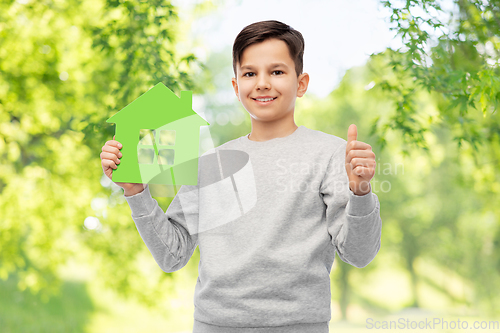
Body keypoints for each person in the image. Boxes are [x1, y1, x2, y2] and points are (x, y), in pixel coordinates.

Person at [100, 20, 382, 333]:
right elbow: (173, 254)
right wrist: (136, 191)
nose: (262, 83)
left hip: (300, 325)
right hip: (215, 325)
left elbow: (358, 254)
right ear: (236, 87)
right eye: (250, 73)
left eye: (276, 72)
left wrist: (361, 193)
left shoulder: (332, 154)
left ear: (301, 83)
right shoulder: (210, 163)